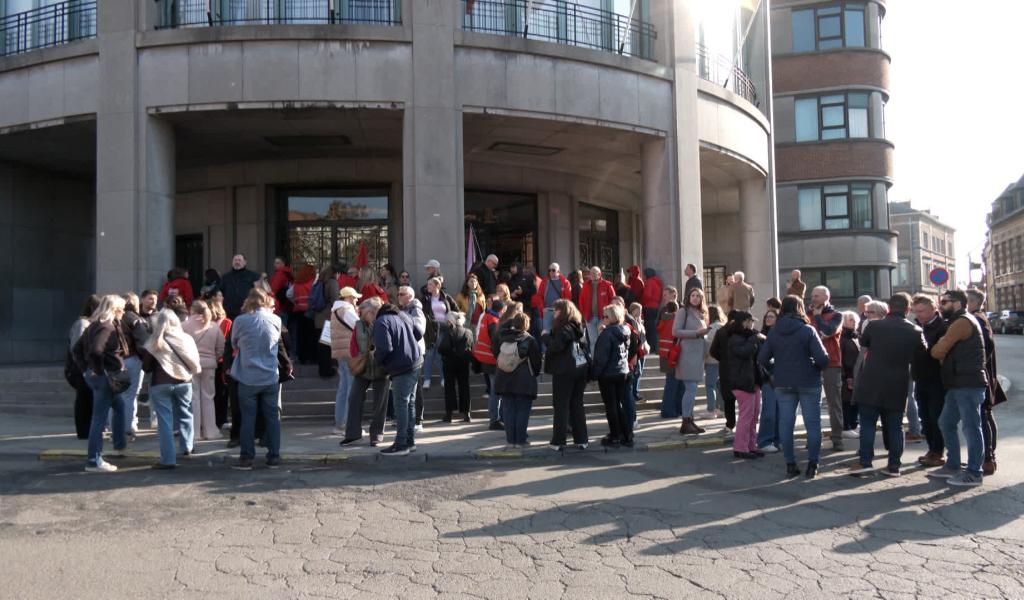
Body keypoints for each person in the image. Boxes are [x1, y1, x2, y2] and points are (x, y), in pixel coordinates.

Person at [847, 293, 926, 477]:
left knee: (867, 424)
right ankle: (894, 466)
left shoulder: (874, 325)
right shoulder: (915, 331)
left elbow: (863, 342)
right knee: (895, 426)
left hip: (871, 381)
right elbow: (923, 354)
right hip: (898, 384)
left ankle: (865, 462)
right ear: (908, 310)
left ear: (890, 308)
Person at [758, 296, 829, 479]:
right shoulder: (808, 330)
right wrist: (813, 366)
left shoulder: (774, 332)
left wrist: (775, 370)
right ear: (799, 308)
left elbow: (762, 359)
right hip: (808, 381)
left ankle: (790, 464)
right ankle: (813, 463)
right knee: (812, 424)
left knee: (786, 423)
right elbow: (822, 359)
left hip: (782, 382)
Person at [926, 290, 988, 487]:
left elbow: (938, 350)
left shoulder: (962, 322)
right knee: (946, 422)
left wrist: (938, 350)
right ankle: (953, 465)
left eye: (945, 302)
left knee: (971, 427)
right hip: (957, 383)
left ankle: (974, 473)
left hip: (968, 383)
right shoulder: (956, 321)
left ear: (957, 303)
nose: (941, 305)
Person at [74, 295, 130, 473]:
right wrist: (96, 370)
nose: (123, 313)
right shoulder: (106, 326)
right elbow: (96, 350)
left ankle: (119, 445)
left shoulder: (94, 325)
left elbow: (77, 350)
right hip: (106, 377)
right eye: (122, 309)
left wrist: (86, 370)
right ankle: (93, 460)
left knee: (119, 405)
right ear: (114, 310)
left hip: (101, 376)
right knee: (99, 418)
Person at [229, 288, 283, 470]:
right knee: (272, 418)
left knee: (248, 418)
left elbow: (234, 343)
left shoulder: (240, 320)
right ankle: (274, 456)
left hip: (248, 376)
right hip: (270, 375)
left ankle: (246, 457)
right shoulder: (276, 319)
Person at [142, 308, 202, 469]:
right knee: (186, 414)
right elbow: (195, 360)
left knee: (165, 422)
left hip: (160, 384)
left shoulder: (154, 341)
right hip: (184, 381)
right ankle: (187, 447)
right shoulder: (187, 339)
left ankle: (168, 459)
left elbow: (146, 367)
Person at [373, 300, 424, 456]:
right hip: (416, 361)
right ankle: (409, 441)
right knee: (410, 403)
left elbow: (385, 348)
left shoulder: (381, 322)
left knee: (401, 403)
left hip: (402, 366)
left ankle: (401, 443)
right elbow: (419, 333)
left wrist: (377, 358)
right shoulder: (403, 315)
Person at [340, 297, 391, 447]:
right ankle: (353, 434)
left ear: (371, 312)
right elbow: (353, 345)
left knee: (380, 402)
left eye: (363, 311)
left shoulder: (383, 323)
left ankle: (376, 434)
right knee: (354, 397)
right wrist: (356, 359)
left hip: (381, 368)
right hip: (363, 367)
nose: (360, 313)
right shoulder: (358, 325)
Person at [542, 299, 590, 451]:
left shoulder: (562, 328)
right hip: (580, 369)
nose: (554, 313)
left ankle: (558, 441)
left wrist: (545, 336)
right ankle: (581, 439)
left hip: (564, 370)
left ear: (562, 312)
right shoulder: (579, 326)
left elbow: (556, 346)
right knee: (577, 404)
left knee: (561, 405)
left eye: (556, 310)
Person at [490, 311, 541, 449]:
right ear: (526, 325)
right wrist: (534, 374)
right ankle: (520, 440)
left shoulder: (502, 337)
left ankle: (510, 440)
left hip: (503, 377)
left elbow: (495, 352)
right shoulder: (529, 340)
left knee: (508, 410)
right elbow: (536, 363)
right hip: (524, 380)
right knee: (522, 410)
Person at [967, 288, 1002, 475]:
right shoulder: (980, 317)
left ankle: (988, 458)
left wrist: (976, 366)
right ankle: (987, 457)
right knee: (984, 414)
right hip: (985, 374)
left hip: (981, 375)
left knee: (983, 415)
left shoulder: (977, 320)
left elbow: (985, 348)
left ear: (972, 303)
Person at [911, 295, 947, 468]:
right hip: (920, 377)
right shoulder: (916, 325)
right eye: (916, 311)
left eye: (922, 311)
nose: (918, 315)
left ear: (933, 309)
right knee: (924, 416)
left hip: (937, 379)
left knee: (936, 416)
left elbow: (936, 351)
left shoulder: (943, 326)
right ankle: (931, 449)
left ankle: (938, 451)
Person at [808, 285, 845, 451]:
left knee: (833, 403)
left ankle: (837, 438)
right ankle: (814, 438)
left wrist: (818, 318)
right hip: (810, 363)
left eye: (817, 295)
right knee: (810, 403)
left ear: (826, 297)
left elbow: (829, 331)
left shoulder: (837, 315)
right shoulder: (806, 315)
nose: (813, 298)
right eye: (812, 295)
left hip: (831, 363)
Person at [182, 299, 225, 440]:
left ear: (191, 310)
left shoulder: (184, 325)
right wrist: (214, 358)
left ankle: (195, 432)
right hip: (210, 365)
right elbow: (221, 348)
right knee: (209, 398)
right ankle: (210, 431)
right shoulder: (213, 326)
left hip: (190, 365)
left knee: (193, 398)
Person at [592, 304, 633, 448]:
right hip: (622, 371)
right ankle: (627, 435)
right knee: (618, 404)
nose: (603, 319)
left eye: (605, 316)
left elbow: (601, 359)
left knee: (611, 406)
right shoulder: (625, 330)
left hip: (608, 374)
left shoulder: (606, 335)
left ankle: (615, 436)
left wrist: (594, 375)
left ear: (612, 317)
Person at [727, 311, 765, 459]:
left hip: (753, 381)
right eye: (750, 321)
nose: (752, 324)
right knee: (746, 416)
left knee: (754, 416)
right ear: (743, 322)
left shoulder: (749, 336)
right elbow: (744, 352)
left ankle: (750, 445)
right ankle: (740, 448)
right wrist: (754, 339)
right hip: (742, 382)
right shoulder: (735, 338)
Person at [674, 287, 709, 435]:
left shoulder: (701, 313)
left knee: (692, 390)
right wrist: (696, 333)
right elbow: (675, 332)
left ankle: (690, 420)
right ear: (688, 297)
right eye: (693, 295)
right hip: (686, 355)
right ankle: (685, 421)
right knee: (691, 389)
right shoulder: (683, 311)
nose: (695, 298)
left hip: (698, 355)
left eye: (698, 296)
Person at [329, 286, 361, 435]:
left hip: (340, 352)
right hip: (349, 351)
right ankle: (348, 423)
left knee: (342, 388)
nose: (356, 300)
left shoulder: (335, 310)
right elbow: (359, 326)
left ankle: (339, 423)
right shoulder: (347, 310)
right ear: (348, 297)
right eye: (355, 297)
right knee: (350, 388)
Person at [69, 294, 101, 439]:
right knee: (84, 399)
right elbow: (77, 347)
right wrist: (84, 368)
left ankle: (89, 429)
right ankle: (83, 431)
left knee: (90, 399)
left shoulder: (94, 323)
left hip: (90, 366)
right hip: (82, 367)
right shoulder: (83, 324)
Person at [397, 285, 429, 430]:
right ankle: (410, 419)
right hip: (408, 352)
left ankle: (418, 420)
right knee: (410, 389)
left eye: (401, 294)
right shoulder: (404, 309)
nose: (398, 296)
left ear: (410, 296)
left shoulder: (415, 310)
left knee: (416, 388)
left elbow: (419, 330)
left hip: (416, 352)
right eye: (398, 293)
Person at [120, 292, 149, 438]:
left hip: (115, 359)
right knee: (131, 395)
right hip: (132, 359)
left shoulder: (113, 318)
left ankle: (115, 425)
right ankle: (129, 425)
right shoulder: (136, 320)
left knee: (116, 394)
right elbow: (143, 343)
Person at [474, 298, 506, 430]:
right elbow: (495, 343)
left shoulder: (486, 317)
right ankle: (495, 420)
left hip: (485, 359)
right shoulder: (494, 321)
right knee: (496, 392)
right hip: (493, 361)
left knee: (495, 391)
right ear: (502, 310)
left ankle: (496, 418)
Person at [420, 276, 457, 391]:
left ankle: (443, 378)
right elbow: (422, 313)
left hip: (444, 328)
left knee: (440, 354)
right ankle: (427, 379)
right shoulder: (425, 298)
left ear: (437, 285)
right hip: (431, 330)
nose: (427, 287)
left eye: (430, 284)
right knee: (430, 353)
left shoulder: (446, 297)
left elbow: (456, 310)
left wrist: (453, 320)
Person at [437, 311, 475, 422]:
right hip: (464, 363)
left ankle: (449, 414)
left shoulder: (448, 332)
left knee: (450, 388)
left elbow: (441, 348)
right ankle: (466, 413)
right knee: (465, 387)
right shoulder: (468, 332)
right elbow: (471, 347)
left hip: (449, 364)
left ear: (450, 321)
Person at [756, 309, 780, 453]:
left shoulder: (780, 335)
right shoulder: (761, 336)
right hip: (767, 378)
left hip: (781, 377)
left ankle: (778, 440)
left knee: (780, 412)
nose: (768, 319)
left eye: (771, 317)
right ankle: (764, 440)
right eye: (767, 316)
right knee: (769, 411)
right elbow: (760, 359)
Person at [314, 264, 341, 378]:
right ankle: (327, 371)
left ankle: (322, 370)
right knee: (327, 346)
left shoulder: (319, 282)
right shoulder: (332, 282)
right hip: (328, 318)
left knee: (322, 346)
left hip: (318, 318)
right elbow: (335, 300)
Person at [580, 266, 616, 353]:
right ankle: (594, 362)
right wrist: (584, 315)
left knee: (603, 340)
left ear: (599, 274)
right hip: (590, 318)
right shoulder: (585, 285)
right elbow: (581, 301)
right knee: (593, 342)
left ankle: (603, 361)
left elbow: (614, 301)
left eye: (594, 273)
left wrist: (610, 316)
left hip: (603, 318)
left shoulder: (607, 285)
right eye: (590, 273)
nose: (591, 275)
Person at [657, 300, 683, 418]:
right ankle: (671, 410)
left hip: (664, 355)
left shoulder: (663, 320)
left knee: (671, 384)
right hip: (674, 355)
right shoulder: (676, 320)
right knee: (674, 385)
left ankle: (671, 409)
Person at [209, 297, 232, 430]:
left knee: (222, 392)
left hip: (223, 361)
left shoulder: (227, 322)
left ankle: (221, 418)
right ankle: (214, 418)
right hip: (212, 360)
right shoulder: (209, 323)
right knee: (214, 392)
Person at [839, 311, 862, 440]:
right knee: (846, 401)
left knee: (855, 401)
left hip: (857, 374)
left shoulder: (856, 337)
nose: (854, 322)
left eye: (854, 320)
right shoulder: (842, 338)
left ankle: (853, 424)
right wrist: (847, 376)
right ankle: (846, 426)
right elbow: (842, 358)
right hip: (847, 375)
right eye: (850, 320)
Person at [534, 263, 571, 338]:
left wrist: (563, 310)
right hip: (547, 310)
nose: (551, 272)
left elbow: (568, 298)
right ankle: (547, 350)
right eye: (549, 270)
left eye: (553, 270)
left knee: (559, 333)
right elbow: (539, 296)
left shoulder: (565, 282)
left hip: (559, 311)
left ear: (558, 271)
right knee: (546, 333)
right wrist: (542, 308)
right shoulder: (545, 281)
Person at [220, 254, 261, 319]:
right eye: (235, 260)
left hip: (247, 310)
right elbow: (220, 292)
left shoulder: (253, 276)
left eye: (239, 260)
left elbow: (258, 292)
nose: (237, 262)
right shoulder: (225, 277)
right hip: (229, 312)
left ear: (245, 262)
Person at [703, 305, 726, 419]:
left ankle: (711, 410)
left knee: (710, 385)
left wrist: (703, 357)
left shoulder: (711, 328)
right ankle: (721, 409)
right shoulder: (724, 326)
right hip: (723, 360)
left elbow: (708, 345)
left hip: (712, 360)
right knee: (720, 385)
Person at [639, 267, 663, 349]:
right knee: (652, 327)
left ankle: (651, 346)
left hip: (648, 306)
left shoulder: (649, 282)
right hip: (655, 307)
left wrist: (641, 301)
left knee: (649, 328)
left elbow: (647, 295)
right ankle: (653, 346)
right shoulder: (658, 283)